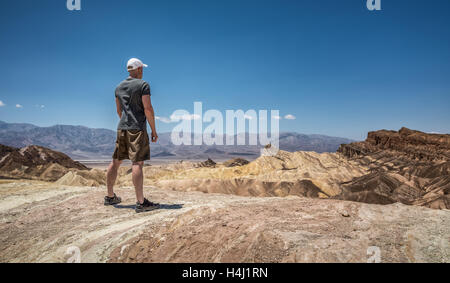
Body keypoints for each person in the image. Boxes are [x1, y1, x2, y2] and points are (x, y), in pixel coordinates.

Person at [104, 58, 159, 213]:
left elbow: (118, 111)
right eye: (142, 69)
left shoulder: (118, 87)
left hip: (122, 128)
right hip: (137, 129)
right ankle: (141, 203)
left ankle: (109, 196)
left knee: (116, 162)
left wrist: (126, 121)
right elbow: (148, 109)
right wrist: (153, 130)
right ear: (139, 69)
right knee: (137, 163)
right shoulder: (143, 85)